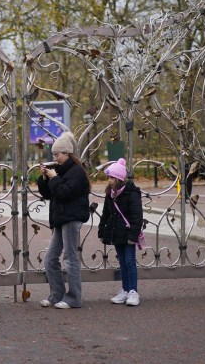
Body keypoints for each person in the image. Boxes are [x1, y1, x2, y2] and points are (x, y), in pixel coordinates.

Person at [37, 131, 90, 309]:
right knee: (51, 259)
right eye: (53, 154)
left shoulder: (77, 172)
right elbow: (48, 194)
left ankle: (74, 298)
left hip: (71, 218)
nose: (55, 158)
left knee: (70, 258)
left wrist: (55, 178)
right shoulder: (59, 171)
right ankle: (56, 295)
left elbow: (64, 193)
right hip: (60, 219)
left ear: (67, 154)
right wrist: (45, 178)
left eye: (57, 154)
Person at [97, 158, 143, 306]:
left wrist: (133, 235)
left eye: (112, 178)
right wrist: (102, 229)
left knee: (130, 262)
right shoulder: (110, 193)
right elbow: (105, 213)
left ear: (119, 178)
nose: (109, 180)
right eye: (109, 177)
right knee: (122, 262)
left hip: (128, 233)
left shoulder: (132, 194)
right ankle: (125, 289)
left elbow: (137, 217)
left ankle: (133, 291)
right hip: (117, 232)